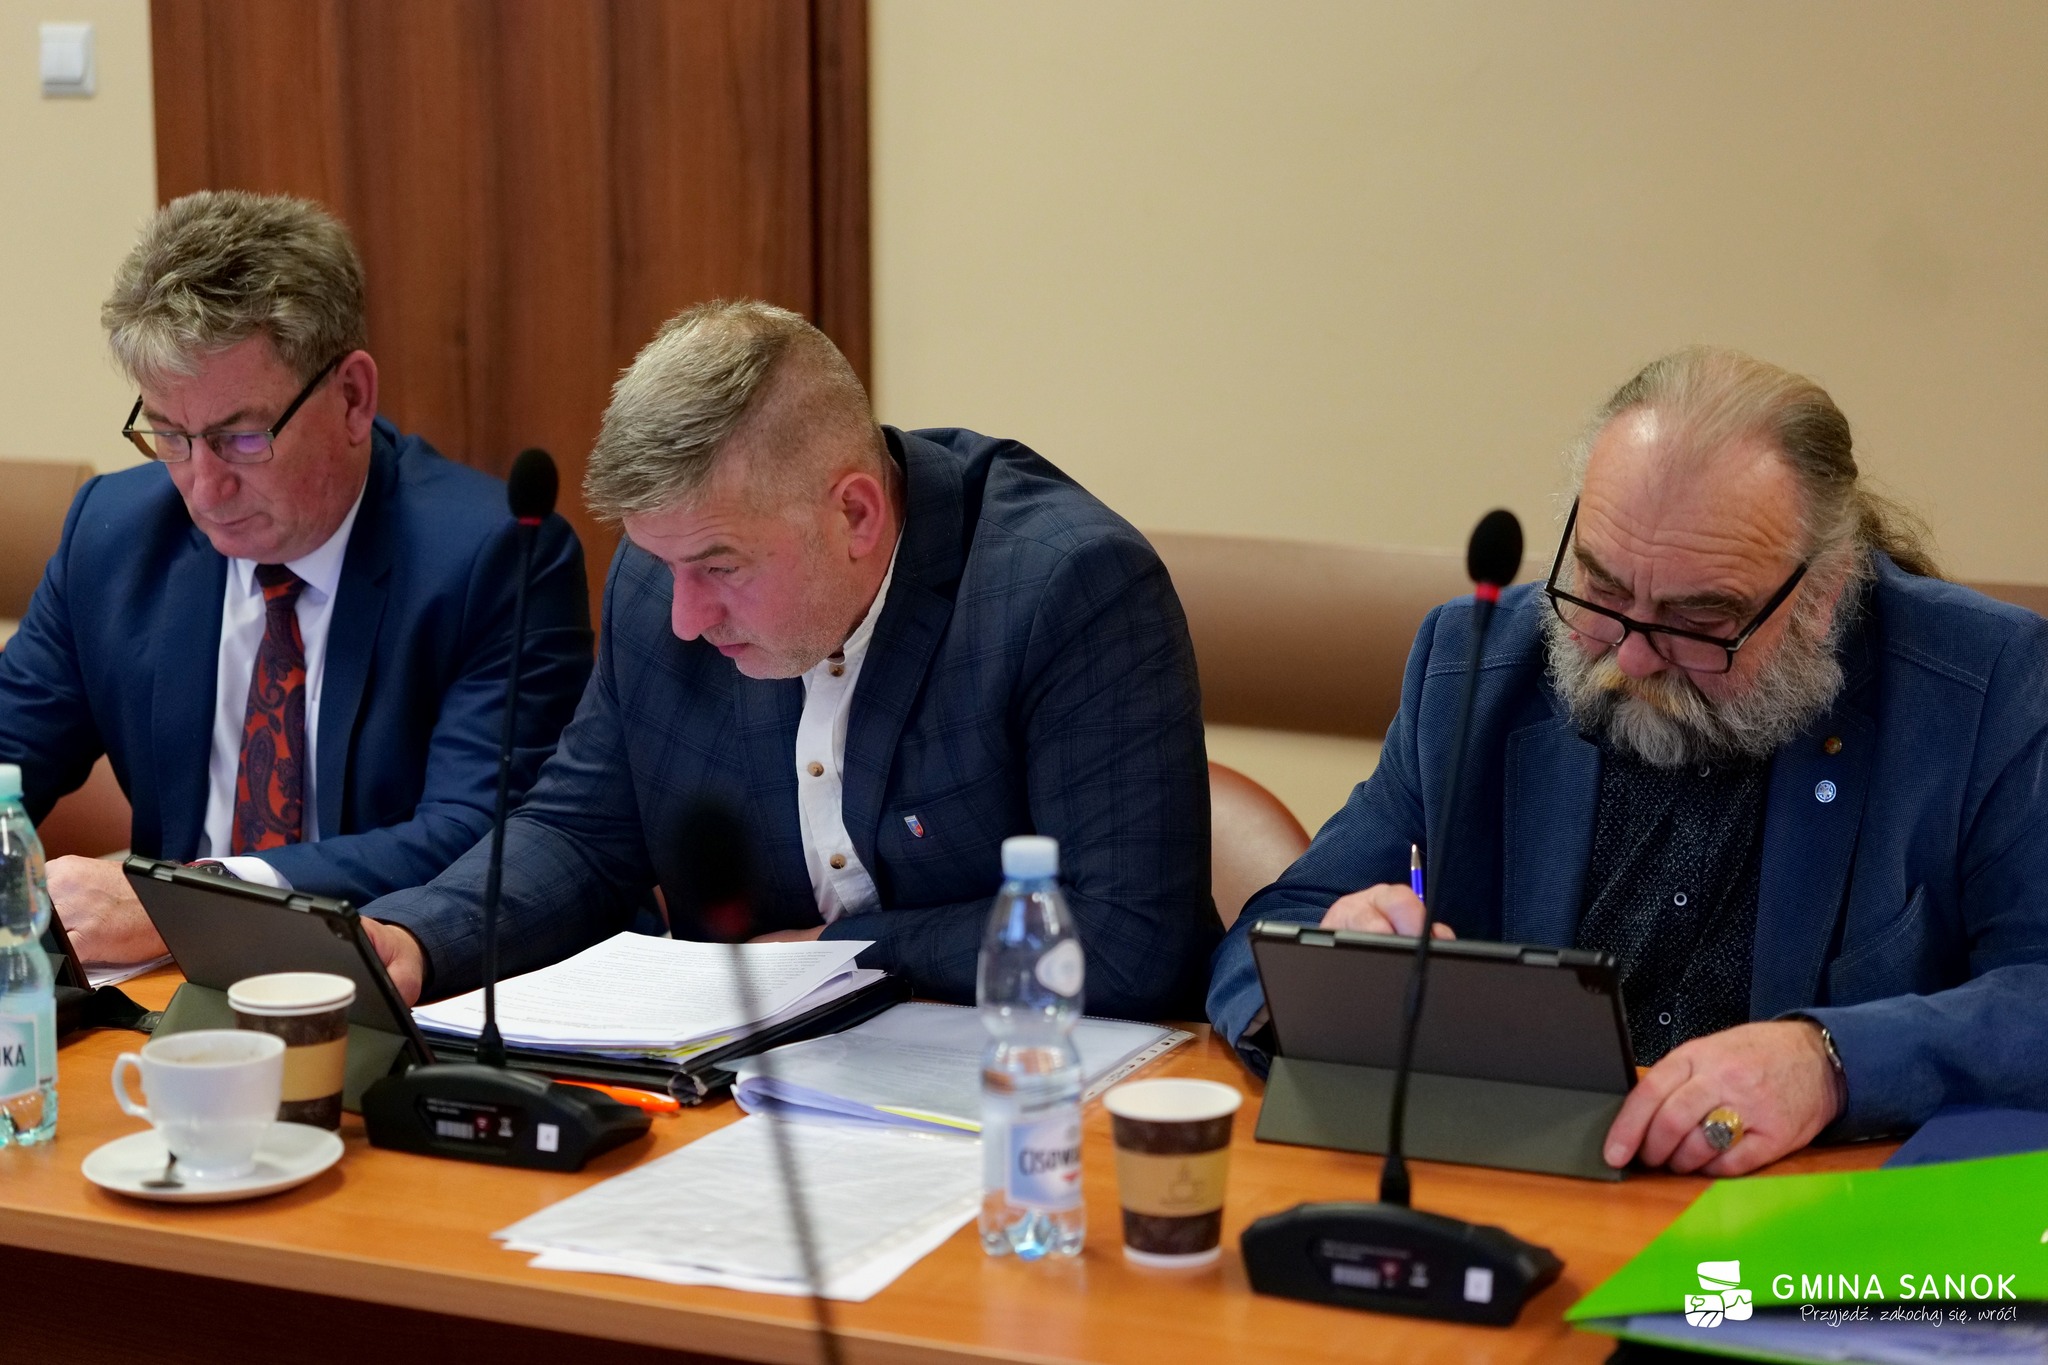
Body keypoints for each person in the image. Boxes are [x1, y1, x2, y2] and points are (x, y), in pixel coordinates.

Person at [1208, 346, 2048, 1176]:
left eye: (1699, 621)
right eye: (1603, 591)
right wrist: (1336, 965)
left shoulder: (1982, 690)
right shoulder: (1476, 668)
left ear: (1823, 594)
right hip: (1522, 1190)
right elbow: (1270, 933)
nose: (1633, 656)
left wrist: (1828, 1062)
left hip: (1811, 1214)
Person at [366, 300, 1215, 1018]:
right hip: (752, 1106)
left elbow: (1131, 939)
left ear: (856, 515)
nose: (686, 618)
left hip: (1038, 1101)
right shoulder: (662, 581)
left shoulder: (1065, 587)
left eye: (721, 568)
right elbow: (581, 833)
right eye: (666, 565)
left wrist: (843, 951)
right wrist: (420, 937)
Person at [0, 190, 592, 968]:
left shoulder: (495, 558)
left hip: (383, 987)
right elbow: (9, 753)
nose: (204, 487)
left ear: (352, 397)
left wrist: (191, 899)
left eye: (241, 438)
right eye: (170, 435)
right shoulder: (114, 536)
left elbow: (478, 838)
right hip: (158, 992)